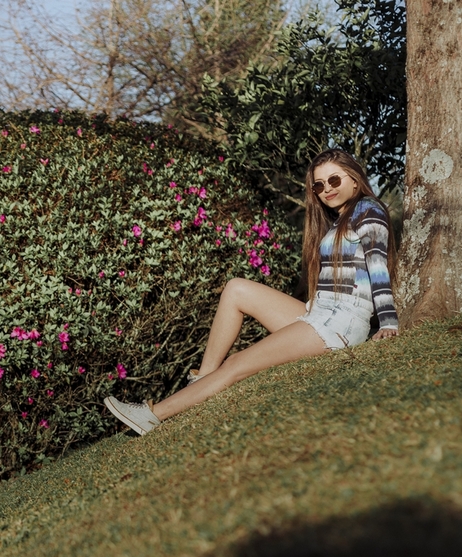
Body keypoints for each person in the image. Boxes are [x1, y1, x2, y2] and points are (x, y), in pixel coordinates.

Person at [104, 149, 399, 435]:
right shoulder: (340, 219)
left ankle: (152, 415)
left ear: (355, 180)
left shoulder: (368, 211)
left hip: (339, 324)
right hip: (321, 314)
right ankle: (203, 380)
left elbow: (377, 268)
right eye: (319, 184)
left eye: (334, 180)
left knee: (237, 364)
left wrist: (388, 322)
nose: (326, 189)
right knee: (236, 289)